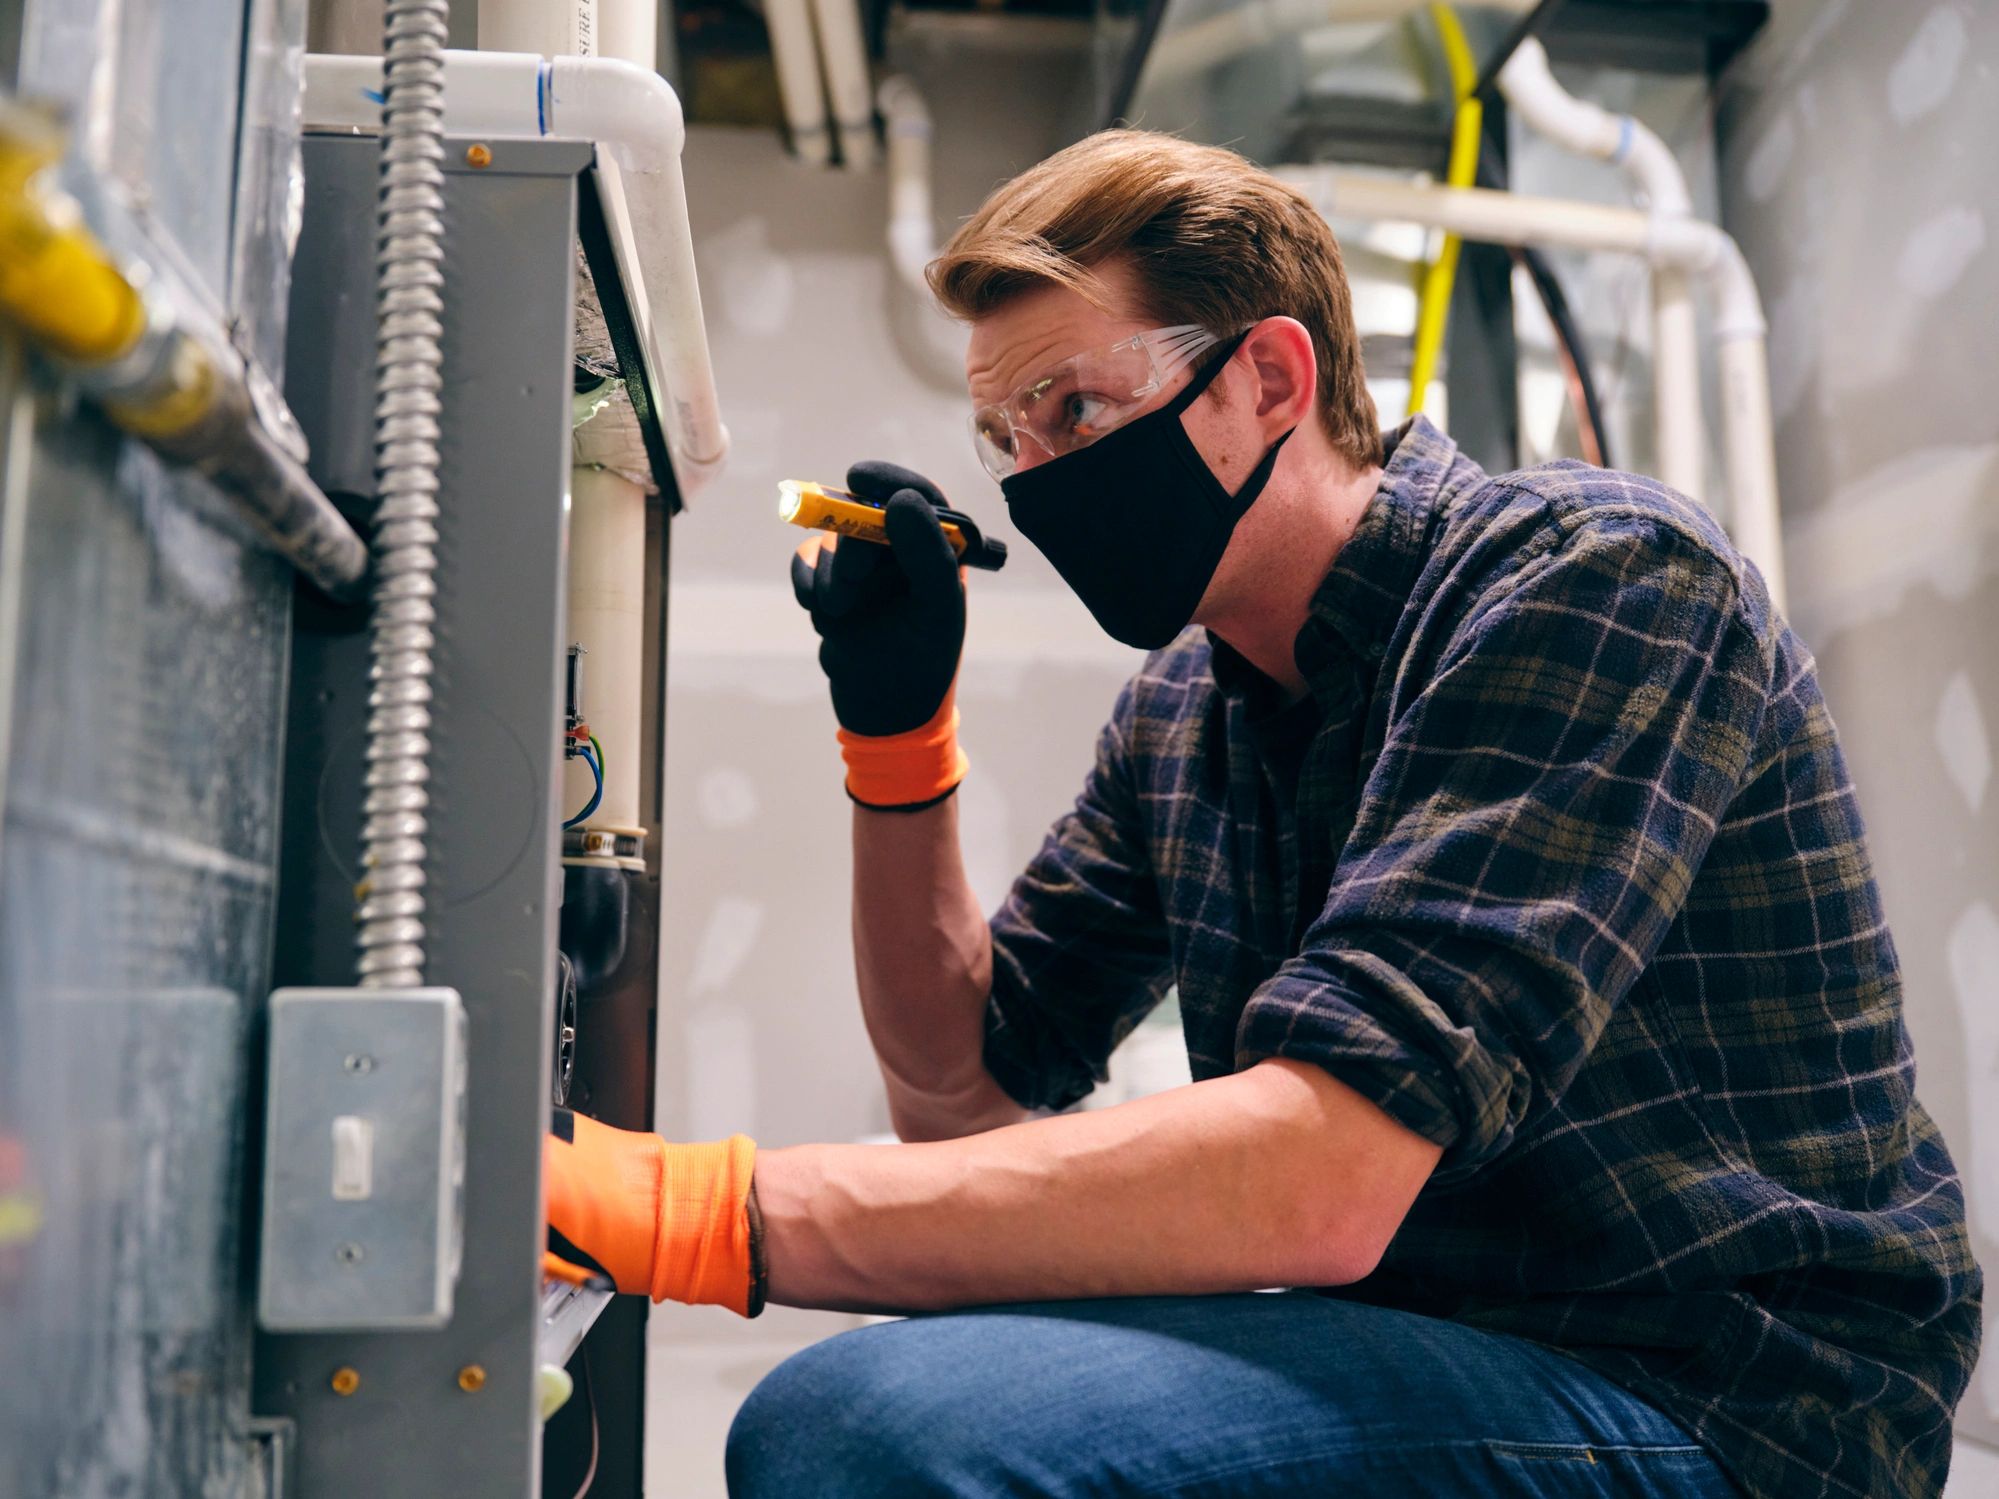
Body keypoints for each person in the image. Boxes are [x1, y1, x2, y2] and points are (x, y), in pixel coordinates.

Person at [545, 130, 1981, 1499]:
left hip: (1733, 1405)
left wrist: (693, 1214)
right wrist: (896, 737)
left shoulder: (1595, 581)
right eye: (1004, 438)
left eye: (1076, 411)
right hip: (1452, 1343)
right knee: (877, 1400)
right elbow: (957, 1098)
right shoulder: (1188, 712)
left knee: (859, 1433)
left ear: (1270, 379)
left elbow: (1325, 1176)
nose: (1036, 477)